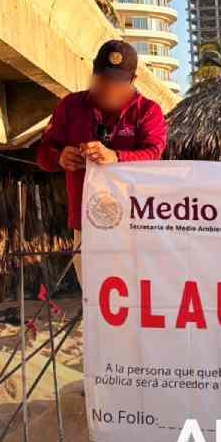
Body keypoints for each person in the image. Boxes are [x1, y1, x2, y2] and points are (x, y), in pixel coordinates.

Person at [36, 40, 168, 278]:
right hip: (86, 222)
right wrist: (60, 158)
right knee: (91, 295)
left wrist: (117, 157)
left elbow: (154, 155)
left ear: (133, 80)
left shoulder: (148, 111)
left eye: (117, 83)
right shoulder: (70, 106)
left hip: (134, 224)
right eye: (103, 80)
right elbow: (43, 156)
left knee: (137, 293)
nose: (109, 89)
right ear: (94, 74)